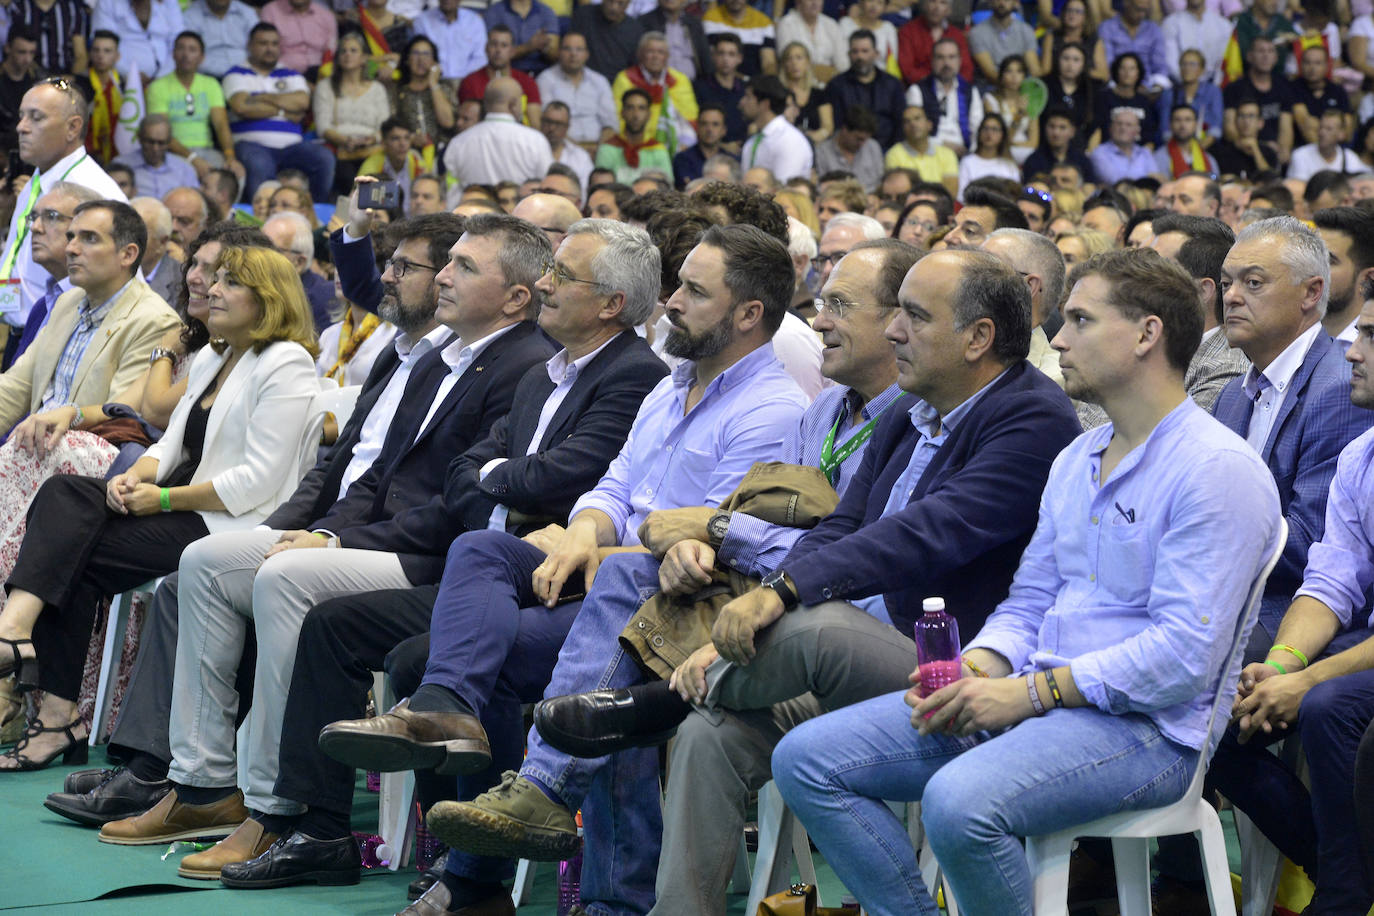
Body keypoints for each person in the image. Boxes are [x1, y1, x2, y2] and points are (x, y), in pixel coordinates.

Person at [503, 247, 1081, 916]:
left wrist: (775, 596)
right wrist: (765, 596)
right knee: (709, 737)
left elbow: (924, 536)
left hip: (953, 663)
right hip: (836, 661)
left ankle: (659, 703)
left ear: (978, 338)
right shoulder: (908, 409)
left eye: (915, 317)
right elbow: (839, 530)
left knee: (818, 625)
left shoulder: (1031, 416)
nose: (896, 332)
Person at [770, 245, 1280, 916]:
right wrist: (976, 665)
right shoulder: (1078, 457)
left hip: (1149, 733)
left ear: (1147, 334)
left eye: (1080, 321)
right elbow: (1031, 600)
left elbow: (1182, 657)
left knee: (959, 801)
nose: (1059, 339)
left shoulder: (1216, 469)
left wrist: (1030, 693)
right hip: (1040, 697)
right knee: (807, 759)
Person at [340, 223, 806, 916]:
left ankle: (504, 869)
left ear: (748, 315)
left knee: (589, 673)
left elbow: (706, 550)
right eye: (678, 284)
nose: (671, 301)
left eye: (694, 291)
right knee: (484, 554)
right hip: (616, 587)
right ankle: (449, 714)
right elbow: (614, 489)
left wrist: (597, 552)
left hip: (690, 612)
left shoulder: (772, 408)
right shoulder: (672, 384)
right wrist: (583, 534)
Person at [97, 215, 558, 880]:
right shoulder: (442, 355)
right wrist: (318, 528)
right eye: (447, 262)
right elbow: (367, 472)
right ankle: (203, 784)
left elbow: (460, 505)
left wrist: (333, 536)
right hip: (382, 538)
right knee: (204, 562)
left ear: (516, 297)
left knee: (287, 577)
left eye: (464, 267)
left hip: (442, 557)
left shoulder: (525, 363)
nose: (445, 277)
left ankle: (277, 806)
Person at [226, 219, 672, 896]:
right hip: (494, 562)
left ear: (611, 302)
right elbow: (465, 472)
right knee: (332, 625)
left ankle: (461, 856)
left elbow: (564, 477)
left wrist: (496, 480)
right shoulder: (546, 371)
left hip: (558, 574)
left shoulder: (635, 374)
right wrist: (501, 483)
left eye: (561, 276)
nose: (547, 285)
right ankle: (317, 829)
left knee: (422, 655)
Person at [0, 240, 320, 771]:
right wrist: (135, 478)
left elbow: (257, 482)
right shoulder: (217, 356)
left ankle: (46, 697)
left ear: (267, 299)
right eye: (213, 279)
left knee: (69, 552)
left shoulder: (286, 363)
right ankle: (23, 646)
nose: (211, 290)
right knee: (66, 495)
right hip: (183, 510)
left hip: (232, 526)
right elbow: (168, 445)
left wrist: (162, 496)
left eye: (228, 283)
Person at [1211, 217, 1374, 645]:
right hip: (1219, 592)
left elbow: (1310, 546)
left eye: (1254, 283)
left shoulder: (1341, 388)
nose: (1231, 296)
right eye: (1227, 283)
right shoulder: (1231, 395)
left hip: (1282, 611)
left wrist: (1197, 527)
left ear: (1311, 293)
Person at [1, 78, 127, 342]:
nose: (21, 127)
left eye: (36, 118)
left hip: (58, 336)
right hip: (19, 330)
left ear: (73, 127)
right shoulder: (36, 179)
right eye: (22, 116)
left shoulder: (94, 190)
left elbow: (111, 284)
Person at [223, 24, 335, 203]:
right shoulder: (235, 74)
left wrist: (259, 98)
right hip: (252, 145)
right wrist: (284, 109)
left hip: (292, 147)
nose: (270, 49)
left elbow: (302, 102)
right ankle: (260, 222)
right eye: (263, 43)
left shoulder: (291, 74)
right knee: (259, 164)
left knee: (324, 158)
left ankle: (315, 214)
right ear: (250, 45)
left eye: (274, 44)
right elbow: (241, 107)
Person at [144, 32, 241, 183]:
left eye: (192, 50)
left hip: (208, 151)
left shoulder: (211, 84)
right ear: (173, 54)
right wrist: (192, 158)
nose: (186, 54)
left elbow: (221, 125)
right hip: (172, 153)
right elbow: (160, 133)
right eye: (181, 49)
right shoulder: (158, 87)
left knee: (235, 175)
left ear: (202, 57)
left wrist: (230, 156)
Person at [444, 77, 553, 202]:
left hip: (474, 217)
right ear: (513, 104)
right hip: (520, 217)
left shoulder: (458, 142)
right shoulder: (536, 141)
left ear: (486, 104)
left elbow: (452, 193)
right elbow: (547, 186)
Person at [982, 227, 1065, 385]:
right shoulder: (951, 349)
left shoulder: (1052, 380)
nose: (966, 277)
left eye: (986, 268)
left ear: (1027, 287)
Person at [313, 32, 391, 194]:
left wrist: (371, 139)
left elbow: (385, 126)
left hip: (372, 148)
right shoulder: (326, 87)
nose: (347, 54)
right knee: (347, 176)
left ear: (363, 58)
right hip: (339, 149)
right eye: (343, 51)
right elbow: (322, 126)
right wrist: (346, 141)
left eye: (353, 50)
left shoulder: (377, 89)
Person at [611, 30, 698, 155]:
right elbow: (618, 119)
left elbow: (690, 119)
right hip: (635, 145)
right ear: (640, 54)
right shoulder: (625, 79)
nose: (655, 56)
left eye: (660, 52)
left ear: (667, 56)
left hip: (674, 147)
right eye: (650, 51)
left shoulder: (679, 80)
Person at [536, 32, 618, 149]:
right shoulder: (546, 79)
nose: (573, 54)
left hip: (598, 148)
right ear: (559, 52)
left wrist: (600, 150)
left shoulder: (600, 81)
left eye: (579, 49)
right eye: (567, 49)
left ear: (587, 54)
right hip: (561, 148)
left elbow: (610, 124)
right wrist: (578, 151)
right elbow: (548, 124)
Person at [827, 30, 904, 150]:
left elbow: (900, 123)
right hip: (849, 150)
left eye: (865, 51)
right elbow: (837, 126)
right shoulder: (837, 85)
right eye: (855, 52)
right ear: (849, 54)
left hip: (887, 149)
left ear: (876, 53)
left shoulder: (893, 84)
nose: (860, 57)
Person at [458, 25, 543, 128]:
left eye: (504, 45)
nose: (498, 50)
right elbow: (466, 123)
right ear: (486, 48)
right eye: (494, 44)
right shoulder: (470, 82)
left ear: (512, 51)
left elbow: (535, 124)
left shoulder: (527, 82)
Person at [912, 37, 983, 159]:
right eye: (940, 57)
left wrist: (972, 153)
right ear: (932, 61)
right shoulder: (917, 90)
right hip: (929, 152)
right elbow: (913, 129)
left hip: (964, 153)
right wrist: (941, 145)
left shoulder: (970, 91)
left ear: (960, 61)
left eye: (951, 57)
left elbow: (977, 128)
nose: (946, 63)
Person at [739, 75, 813, 183]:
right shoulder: (752, 141)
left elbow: (784, 191)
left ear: (765, 104)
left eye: (748, 97)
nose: (742, 102)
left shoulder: (790, 140)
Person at [91, 0, 182, 81]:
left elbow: (179, 43)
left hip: (166, 79)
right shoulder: (107, 2)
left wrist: (160, 78)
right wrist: (132, 77)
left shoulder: (169, 2)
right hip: (121, 79)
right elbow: (104, 46)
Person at [113, 116, 199, 200]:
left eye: (161, 143)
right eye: (150, 142)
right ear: (140, 138)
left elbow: (194, 200)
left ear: (169, 142)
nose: (155, 148)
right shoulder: (120, 165)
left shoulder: (184, 169)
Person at [692, 33, 749, 148]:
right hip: (708, 150)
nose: (726, 59)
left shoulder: (747, 90)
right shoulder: (698, 87)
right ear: (713, 56)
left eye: (731, 54)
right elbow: (695, 125)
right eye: (721, 53)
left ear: (740, 59)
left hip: (743, 149)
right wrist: (722, 146)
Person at [897, 0, 971, 85]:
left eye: (942, 3)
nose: (937, 7)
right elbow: (907, 70)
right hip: (919, 89)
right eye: (932, 1)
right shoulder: (907, 32)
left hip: (954, 90)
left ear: (949, 10)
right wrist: (935, 85)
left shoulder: (957, 35)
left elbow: (967, 70)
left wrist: (951, 85)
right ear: (924, 5)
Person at [982, 55, 1039, 165]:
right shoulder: (991, 100)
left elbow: (1033, 142)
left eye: (1019, 72)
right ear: (1001, 75)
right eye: (1009, 71)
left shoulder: (1030, 101)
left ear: (1024, 76)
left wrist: (1012, 144)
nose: (1014, 76)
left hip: (1023, 149)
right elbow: (996, 137)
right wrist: (1019, 115)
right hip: (998, 149)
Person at [181, 0, 258, 79]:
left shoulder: (246, 12)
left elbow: (258, 43)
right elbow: (190, 50)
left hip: (246, 74)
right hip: (207, 76)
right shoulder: (191, 15)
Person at [569, 0, 644, 80]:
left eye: (620, 3)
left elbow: (634, 70)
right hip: (581, 79)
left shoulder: (636, 30)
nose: (614, 8)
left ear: (628, 4)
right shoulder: (584, 15)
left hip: (617, 85)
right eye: (610, 1)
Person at [968, 0, 1040, 83]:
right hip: (991, 87)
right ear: (990, 2)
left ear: (1016, 2)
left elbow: (1034, 69)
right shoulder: (977, 33)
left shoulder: (1027, 30)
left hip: (1021, 84)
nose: (1002, 3)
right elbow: (990, 73)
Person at [413, 0, 486, 81]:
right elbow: (420, 56)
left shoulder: (474, 21)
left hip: (468, 81)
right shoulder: (422, 21)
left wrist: (463, 78)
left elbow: (480, 58)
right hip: (433, 80)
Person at [814, 106, 883, 191]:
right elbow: (820, 186)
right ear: (845, 130)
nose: (862, 143)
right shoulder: (822, 152)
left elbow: (880, 183)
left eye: (866, 139)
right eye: (859, 138)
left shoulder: (873, 147)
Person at [129, 197, 183, 306]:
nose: (127, 241)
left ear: (162, 242)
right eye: (123, 232)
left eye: (137, 235)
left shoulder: (181, 283)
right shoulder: (109, 272)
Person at [638, 0, 709, 82]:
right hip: (656, 84)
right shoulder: (644, 22)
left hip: (693, 85)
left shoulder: (694, 24)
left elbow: (706, 61)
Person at [701, 0, 776, 77]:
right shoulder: (711, 18)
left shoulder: (764, 22)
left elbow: (769, 63)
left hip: (755, 82)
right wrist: (743, 79)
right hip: (720, 81)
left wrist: (767, 83)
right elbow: (711, 60)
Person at [1162, 0, 1230, 83]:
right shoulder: (1171, 23)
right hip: (1181, 84)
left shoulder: (1224, 25)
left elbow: (1222, 62)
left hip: (1214, 85)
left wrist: (1213, 87)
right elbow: (1172, 64)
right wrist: (1190, 82)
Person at [775, 0, 845, 81]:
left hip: (831, 83)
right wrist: (823, 71)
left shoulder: (831, 24)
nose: (815, 3)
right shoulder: (786, 24)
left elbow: (843, 63)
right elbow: (788, 60)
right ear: (798, 2)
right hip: (799, 82)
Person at [1289, 110, 1366, 183]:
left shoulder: (1350, 158)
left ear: (1341, 134)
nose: (1322, 132)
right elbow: (1298, 188)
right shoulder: (1301, 155)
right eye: (1321, 127)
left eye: (1329, 129)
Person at [1089, 109, 1161, 185]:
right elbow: (1115, 182)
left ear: (1137, 131)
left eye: (1128, 125)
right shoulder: (1099, 153)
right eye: (1119, 124)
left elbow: (1155, 180)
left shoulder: (1145, 153)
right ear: (1110, 128)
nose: (1123, 128)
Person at [957, 115, 1021, 200]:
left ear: (1002, 135)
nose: (989, 133)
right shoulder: (967, 162)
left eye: (994, 129)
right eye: (985, 128)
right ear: (979, 132)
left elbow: (1016, 194)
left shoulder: (1010, 165)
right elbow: (961, 196)